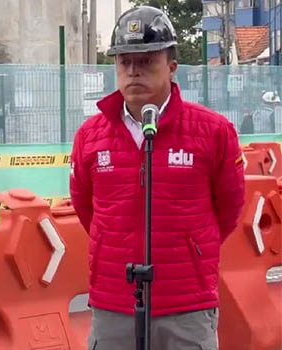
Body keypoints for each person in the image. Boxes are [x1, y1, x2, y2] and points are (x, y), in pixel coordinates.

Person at [69, 6, 245, 350]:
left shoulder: (213, 131)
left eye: (146, 61)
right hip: (113, 301)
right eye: (125, 62)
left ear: (172, 67)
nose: (134, 71)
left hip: (185, 305)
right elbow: (86, 207)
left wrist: (189, 248)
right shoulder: (90, 136)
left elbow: (229, 209)